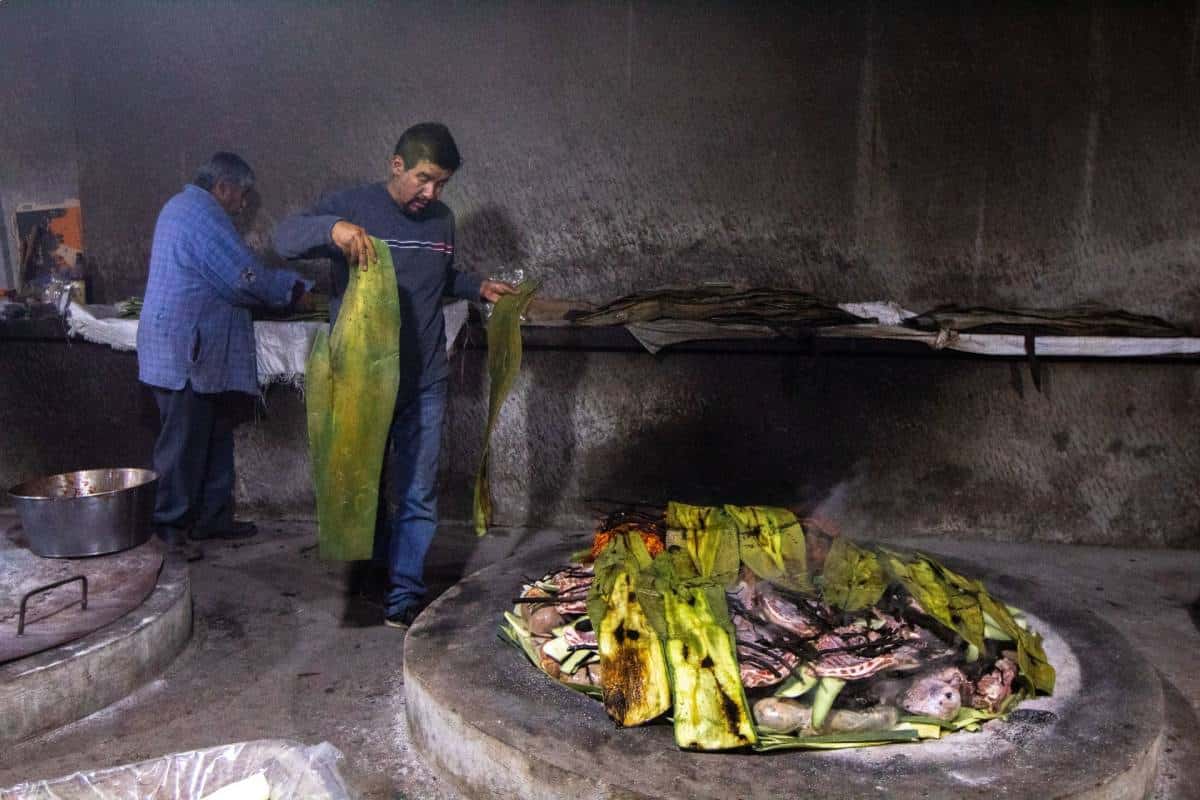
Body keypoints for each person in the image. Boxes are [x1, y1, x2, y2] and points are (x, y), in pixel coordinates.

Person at [273, 122, 515, 627]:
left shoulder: (442, 221)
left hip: (425, 379)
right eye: (424, 179)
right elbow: (284, 237)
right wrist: (331, 229)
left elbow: (437, 276)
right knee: (366, 480)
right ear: (397, 166)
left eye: (442, 184)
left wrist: (475, 286)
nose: (432, 193)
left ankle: (405, 593)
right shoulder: (355, 207)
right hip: (363, 382)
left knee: (417, 490)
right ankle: (374, 569)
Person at [138, 152, 312, 543]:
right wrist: (292, 289)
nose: (244, 203)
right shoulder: (201, 214)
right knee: (182, 446)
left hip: (187, 350)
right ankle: (169, 529)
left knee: (214, 433)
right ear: (222, 187)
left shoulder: (181, 207)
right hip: (187, 352)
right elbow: (242, 278)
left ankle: (212, 516)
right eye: (242, 194)